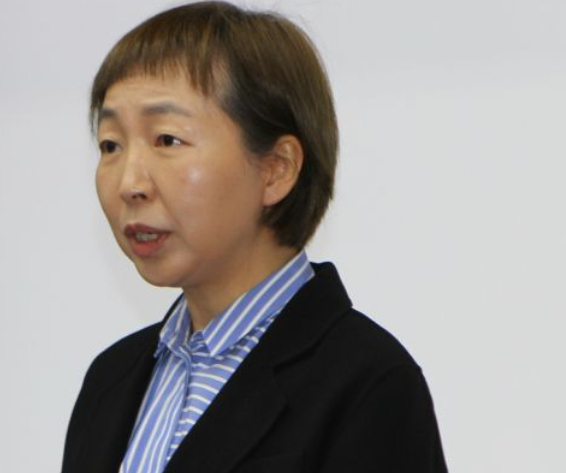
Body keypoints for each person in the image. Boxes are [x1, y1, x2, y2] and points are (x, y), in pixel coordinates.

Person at [62, 2, 448, 472]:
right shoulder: (111, 380)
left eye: (167, 139)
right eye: (110, 145)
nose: (129, 183)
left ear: (276, 169)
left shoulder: (367, 384)